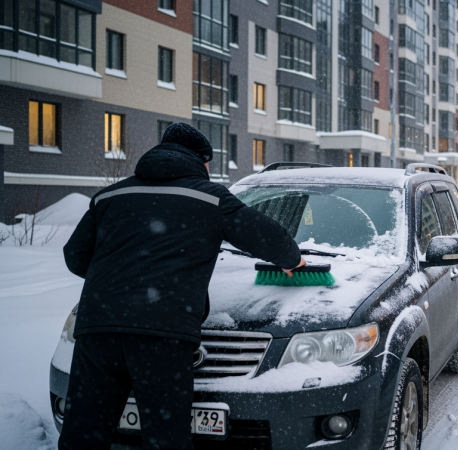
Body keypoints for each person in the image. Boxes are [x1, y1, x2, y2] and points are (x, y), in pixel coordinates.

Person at [59, 123, 305, 450]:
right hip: (162, 335)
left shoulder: (110, 195)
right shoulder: (209, 197)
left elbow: (75, 256)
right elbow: (265, 236)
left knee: (84, 433)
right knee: (166, 438)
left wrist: (119, 281)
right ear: (202, 161)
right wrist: (292, 260)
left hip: (98, 330)